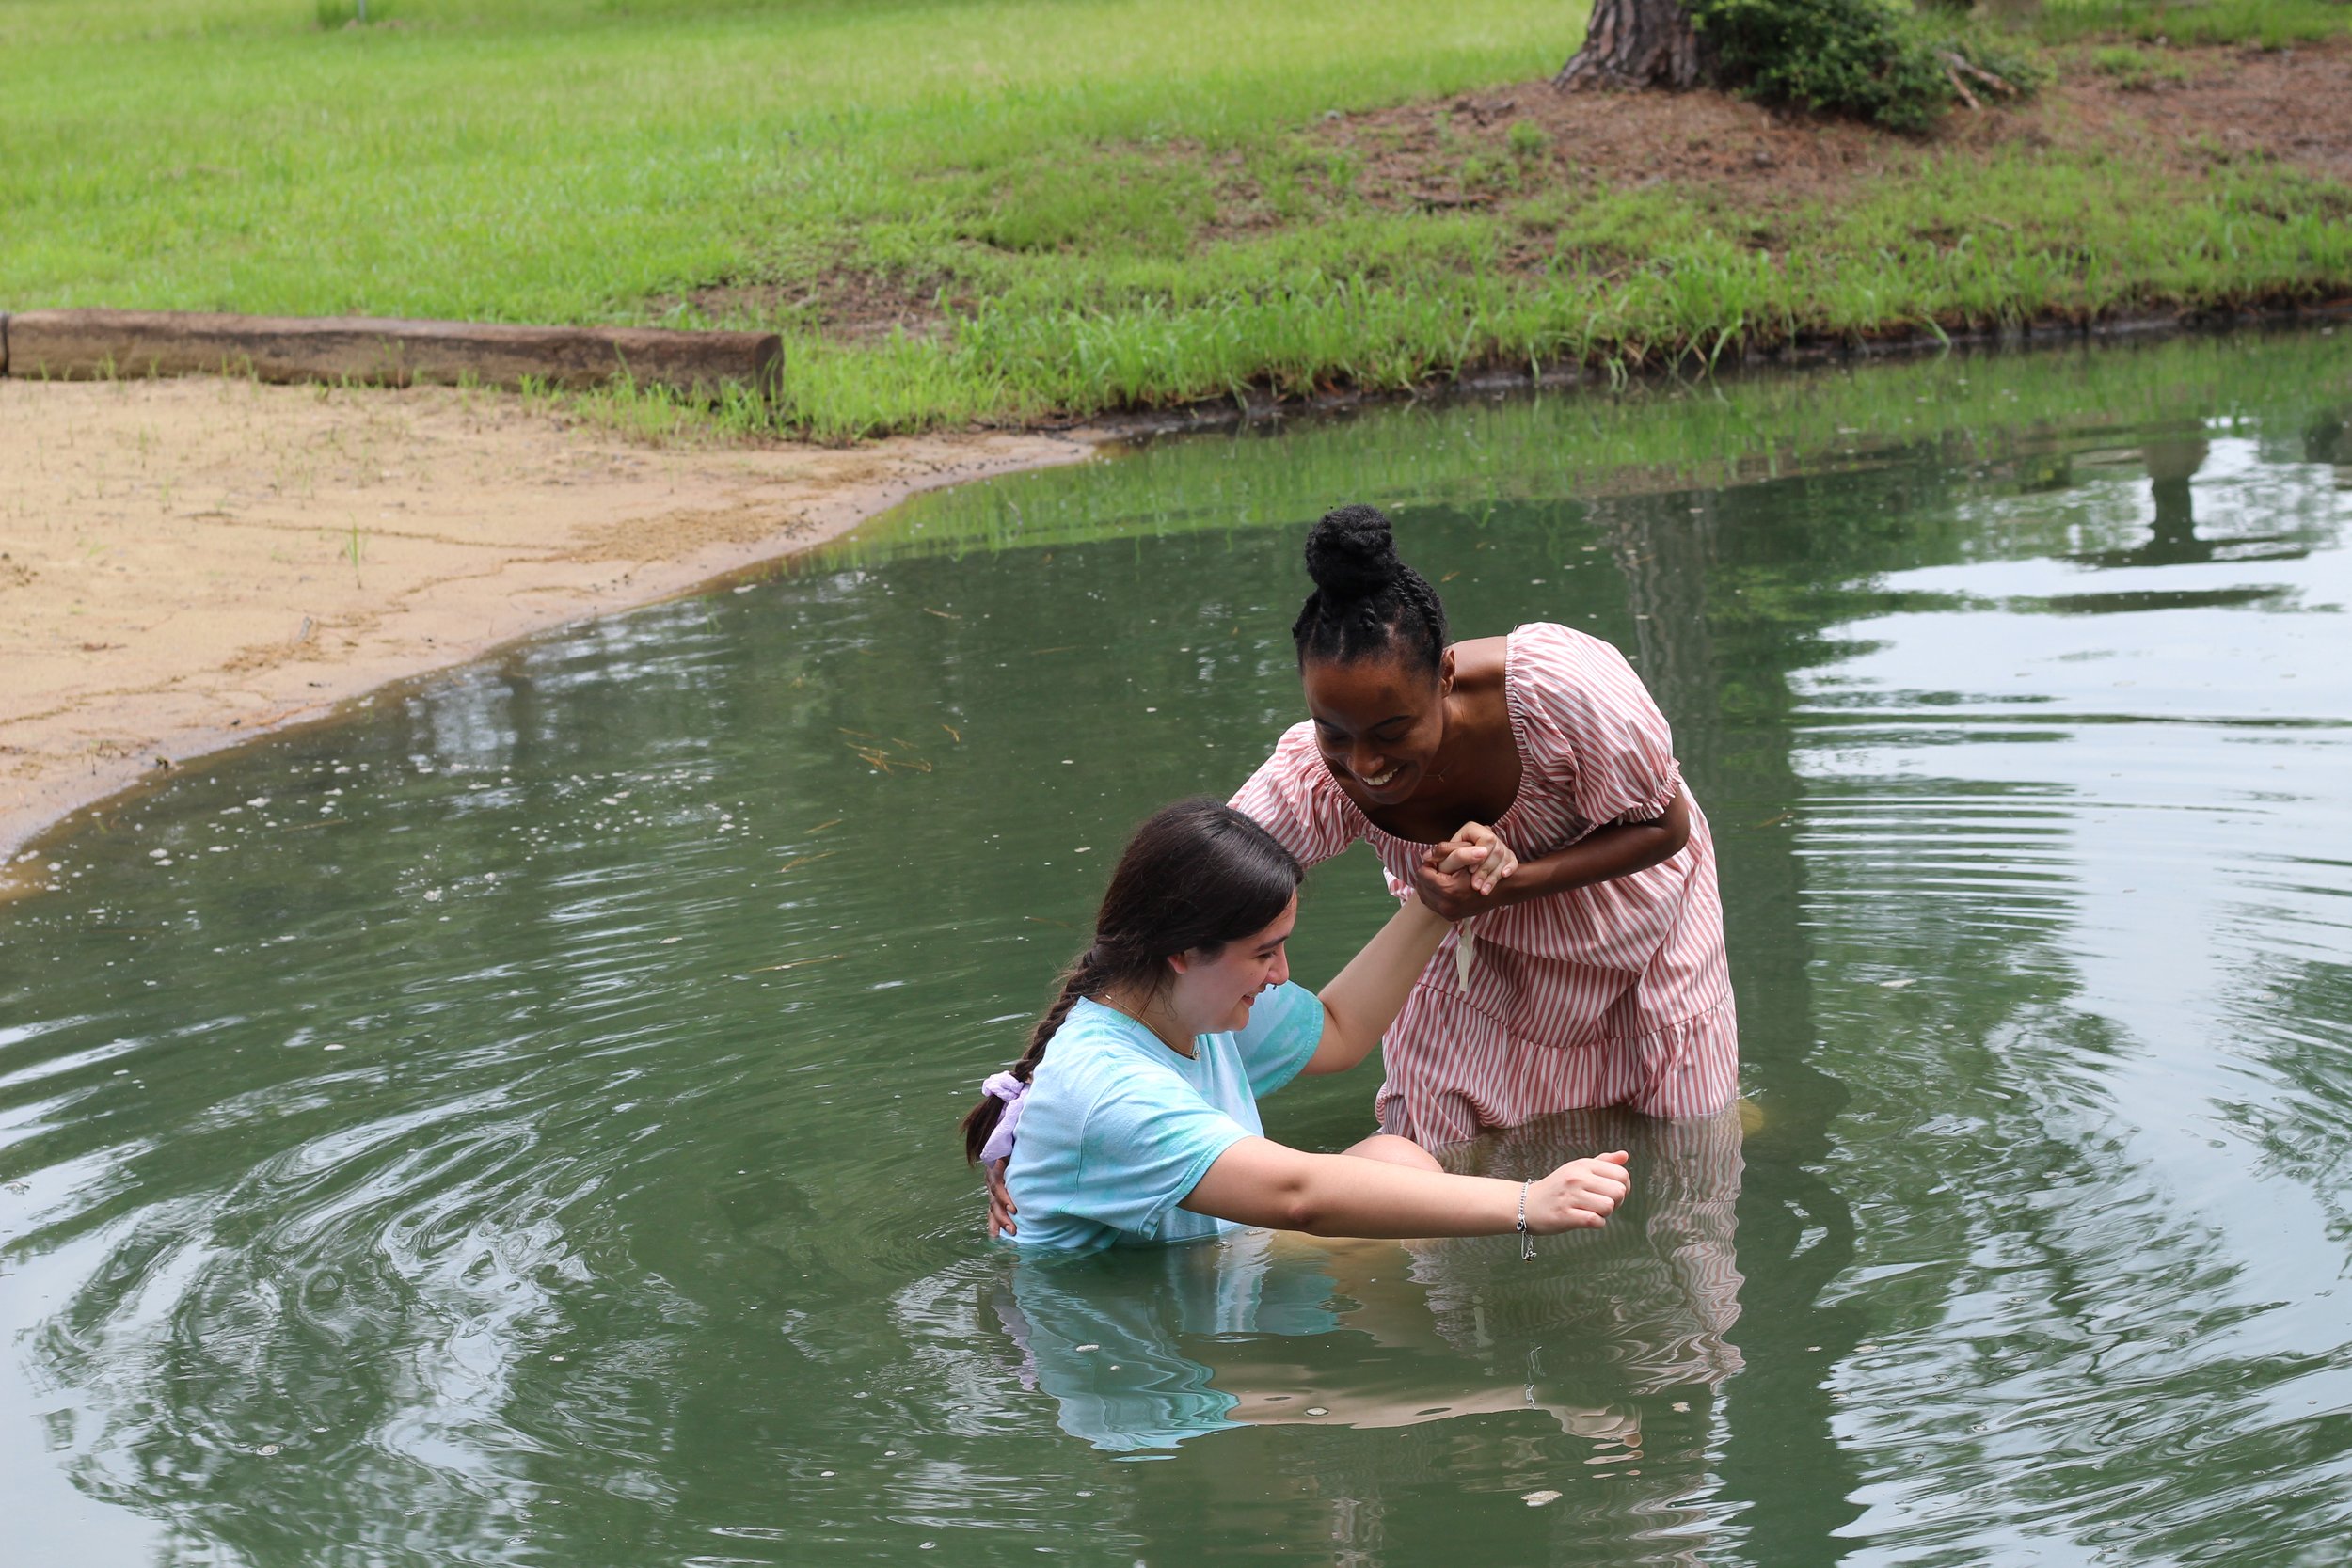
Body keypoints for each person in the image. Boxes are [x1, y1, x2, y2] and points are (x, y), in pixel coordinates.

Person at [1229, 504, 1737, 1147]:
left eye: (1392, 732)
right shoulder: (1315, 775)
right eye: (1335, 732)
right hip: (1469, 941)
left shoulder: (1564, 691)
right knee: (1429, 1137)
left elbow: (1667, 829)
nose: (1364, 764)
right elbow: (1202, 877)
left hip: (1645, 925)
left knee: (1687, 1146)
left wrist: (1513, 880)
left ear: (1445, 676)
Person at [963, 797, 1629, 1251]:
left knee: (1397, 1161)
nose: (1281, 973)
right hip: (1130, 1348)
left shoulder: (1196, 1000)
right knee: (1389, 1194)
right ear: (1184, 952)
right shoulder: (1107, 1088)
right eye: (1263, 951)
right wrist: (1525, 1202)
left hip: (1217, 1271)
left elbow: (1340, 1026)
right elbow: (1297, 1195)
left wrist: (1435, 901)